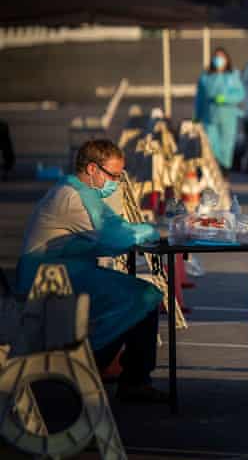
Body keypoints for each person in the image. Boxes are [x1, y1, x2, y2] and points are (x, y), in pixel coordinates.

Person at [16, 139, 166, 402]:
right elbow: (113, 237)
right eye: (113, 175)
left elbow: (115, 226)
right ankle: (87, 368)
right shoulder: (71, 197)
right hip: (49, 280)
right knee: (142, 298)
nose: (117, 183)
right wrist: (150, 231)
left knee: (145, 296)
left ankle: (130, 377)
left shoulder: (83, 192)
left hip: (67, 273)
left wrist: (138, 231)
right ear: (93, 169)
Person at [194, 47, 246, 172]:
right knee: (210, 145)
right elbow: (200, 98)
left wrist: (226, 98)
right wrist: (197, 116)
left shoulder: (233, 75)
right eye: (217, 57)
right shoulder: (205, 77)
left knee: (226, 146)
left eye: (222, 57)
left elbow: (240, 94)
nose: (219, 60)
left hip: (228, 116)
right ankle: (213, 170)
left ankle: (224, 171)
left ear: (227, 59)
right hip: (209, 117)